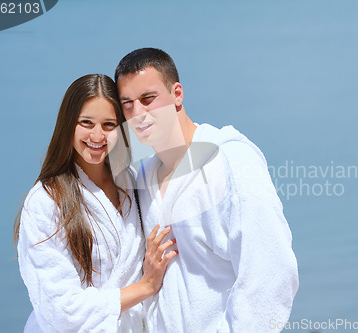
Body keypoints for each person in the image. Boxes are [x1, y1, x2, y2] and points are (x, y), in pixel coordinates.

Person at [114, 48, 299, 332]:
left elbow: (271, 274)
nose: (138, 113)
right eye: (127, 103)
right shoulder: (142, 177)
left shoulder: (231, 161)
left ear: (177, 94)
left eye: (148, 99)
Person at [14, 74, 177, 332]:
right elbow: (61, 310)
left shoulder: (129, 181)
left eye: (109, 124)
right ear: (68, 125)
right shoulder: (45, 201)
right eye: (86, 123)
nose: (97, 135)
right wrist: (146, 286)